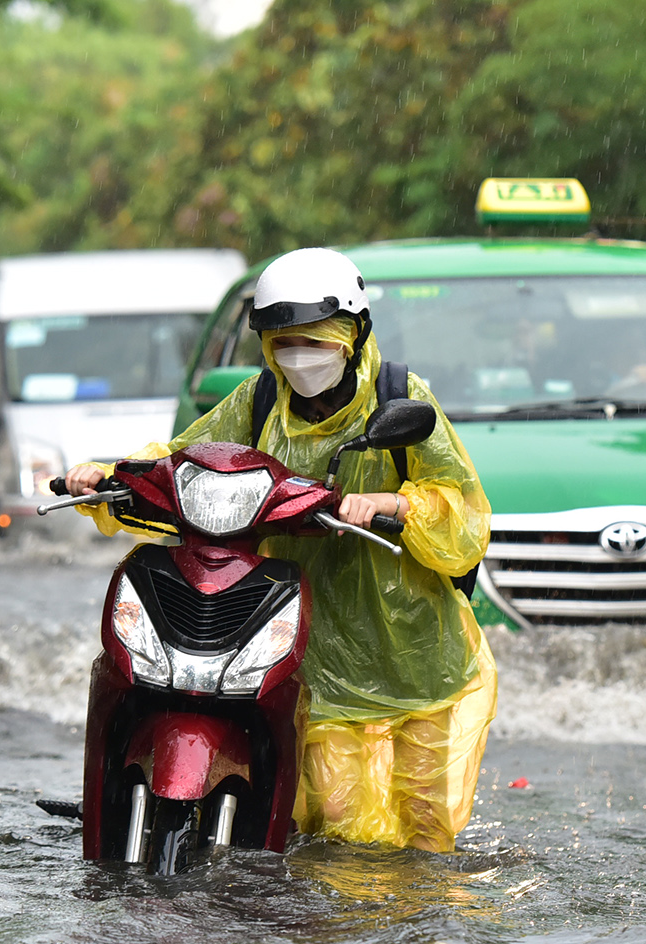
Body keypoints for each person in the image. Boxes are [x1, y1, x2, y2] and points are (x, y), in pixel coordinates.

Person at [63, 248, 495, 853]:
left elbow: (464, 508)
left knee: (424, 831)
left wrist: (393, 505)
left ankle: (418, 942)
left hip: (415, 652)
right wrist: (107, 476)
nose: (300, 355)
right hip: (308, 646)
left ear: (354, 335)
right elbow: (181, 458)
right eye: (285, 341)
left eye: (316, 340)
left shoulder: (398, 396)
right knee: (338, 829)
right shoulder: (258, 402)